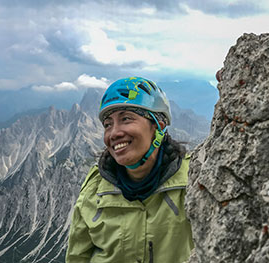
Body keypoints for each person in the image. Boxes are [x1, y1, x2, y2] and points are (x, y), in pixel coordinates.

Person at [66, 77, 192, 263]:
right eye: (108, 124)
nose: (114, 133)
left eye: (126, 119)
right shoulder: (94, 191)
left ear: (158, 127)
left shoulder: (193, 180)